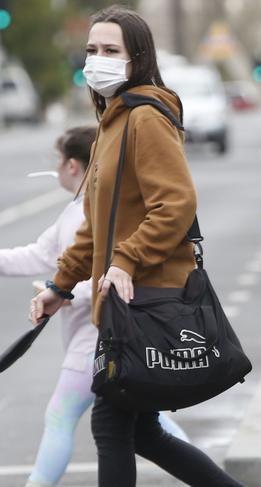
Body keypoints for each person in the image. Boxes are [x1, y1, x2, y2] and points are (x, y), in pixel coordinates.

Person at [28, 6, 242, 487]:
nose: (96, 59)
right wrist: (59, 286)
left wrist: (125, 259)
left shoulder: (144, 117)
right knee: (140, 430)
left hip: (144, 300)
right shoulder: (113, 120)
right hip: (123, 301)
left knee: (112, 424)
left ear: (137, 59)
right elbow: (94, 224)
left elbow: (176, 204)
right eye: (91, 50)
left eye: (110, 51)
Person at [1, 127, 188, 487]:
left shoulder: (95, 210)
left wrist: (64, 292)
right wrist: (60, 288)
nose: (56, 168)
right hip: (110, 337)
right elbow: (42, 255)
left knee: (61, 416)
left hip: (98, 339)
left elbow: (111, 271)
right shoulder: (78, 210)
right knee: (149, 422)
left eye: (59, 161)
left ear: (73, 165)